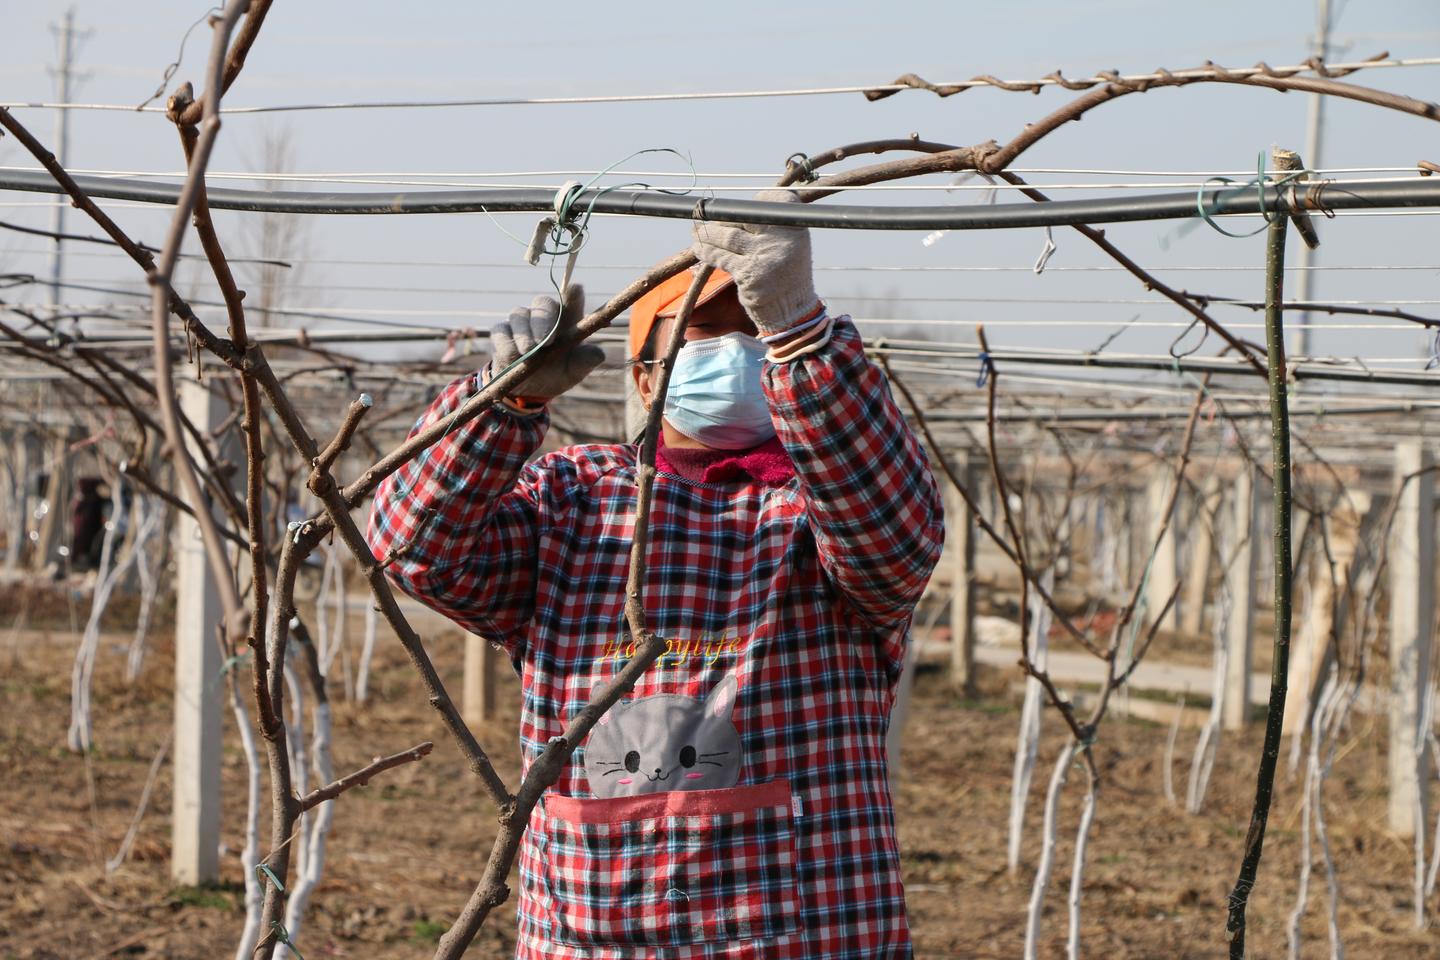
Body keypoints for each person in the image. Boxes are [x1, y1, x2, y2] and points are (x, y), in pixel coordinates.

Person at [368, 190, 944, 959]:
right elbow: (413, 548)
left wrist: (800, 333)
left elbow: (897, 540)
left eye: (757, 332)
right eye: (707, 333)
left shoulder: (821, 507)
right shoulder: (572, 500)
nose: (740, 351)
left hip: (809, 932)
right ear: (645, 379)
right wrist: (499, 408)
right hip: (595, 928)